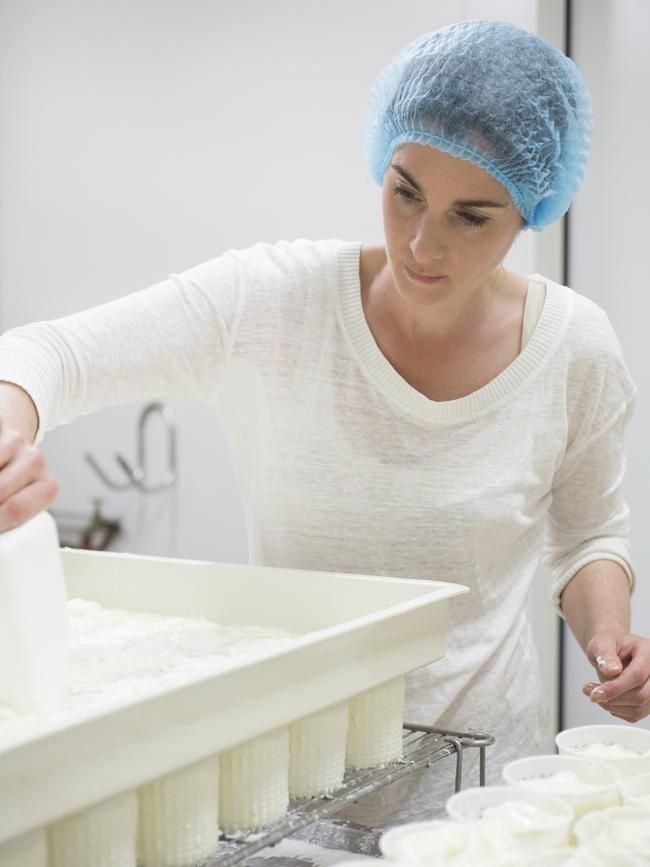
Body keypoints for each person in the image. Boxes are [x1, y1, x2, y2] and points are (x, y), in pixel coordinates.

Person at [0, 19, 648, 824]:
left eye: (470, 216)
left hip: (483, 790)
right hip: (292, 783)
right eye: (405, 190)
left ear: (529, 212)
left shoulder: (572, 348)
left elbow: (587, 535)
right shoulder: (272, 303)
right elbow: (48, 356)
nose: (421, 242)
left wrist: (609, 638)